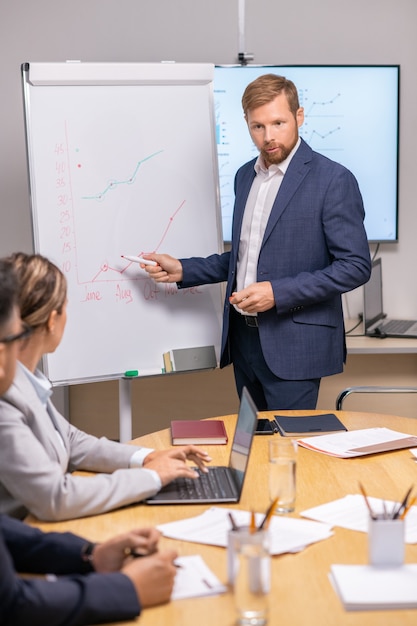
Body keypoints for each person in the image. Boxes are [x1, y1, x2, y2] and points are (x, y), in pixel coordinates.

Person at [141, 73, 372, 411]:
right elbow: (245, 257)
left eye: (278, 123)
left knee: (288, 451)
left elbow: (355, 267)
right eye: (258, 126)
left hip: (294, 346)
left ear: (300, 116)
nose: (269, 136)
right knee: (255, 448)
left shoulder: (333, 180)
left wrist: (277, 293)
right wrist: (184, 269)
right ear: (246, 124)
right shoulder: (244, 176)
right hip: (244, 340)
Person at [0, 258, 178, 625]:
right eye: (8, 341)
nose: (9, 362)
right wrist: (127, 588)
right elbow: (12, 605)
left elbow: (5, 534)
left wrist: (88, 555)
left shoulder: (20, 381)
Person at [0, 252, 211, 521]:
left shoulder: (25, 379)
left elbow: (72, 442)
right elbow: (56, 497)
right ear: (52, 320)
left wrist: (148, 457)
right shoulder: (6, 396)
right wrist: (152, 477)